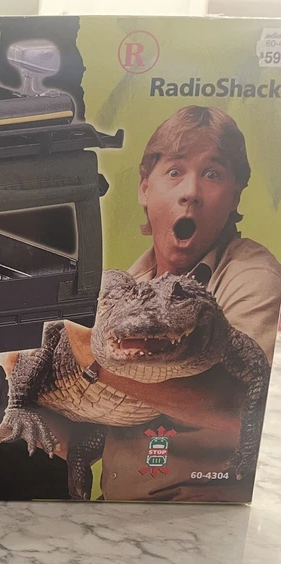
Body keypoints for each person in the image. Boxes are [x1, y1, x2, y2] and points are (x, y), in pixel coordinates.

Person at [63, 105, 281, 501]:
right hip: (117, 505)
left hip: (202, 512)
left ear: (234, 196)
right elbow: (93, 410)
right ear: (145, 189)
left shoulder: (252, 272)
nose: (191, 192)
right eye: (175, 171)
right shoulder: (127, 283)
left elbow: (235, 404)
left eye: (212, 174)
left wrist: (94, 361)